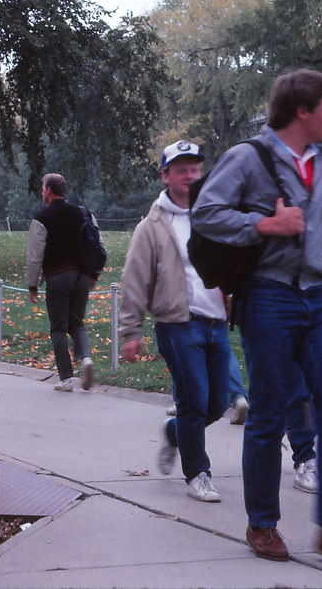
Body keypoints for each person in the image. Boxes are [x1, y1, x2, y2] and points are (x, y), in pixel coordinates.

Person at [191, 68, 322, 563]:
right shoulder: (248, 157)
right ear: (302, 111)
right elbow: (206, 213)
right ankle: (263, 524)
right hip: (269, 296)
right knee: (270, 412)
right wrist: (265, 224)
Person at [118, 140, 236, 502]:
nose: (190, 175)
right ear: (165, 176)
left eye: (195, 169)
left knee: (218, 403)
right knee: (193, 400)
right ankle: (198, 473)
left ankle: (174, 433)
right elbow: (135, 279)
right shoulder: (152, 226)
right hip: (178, 324)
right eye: (182, 170)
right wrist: (131, 331)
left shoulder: (213, 214)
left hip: (217, 322)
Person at [25, 173, 98, 392]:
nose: (42, 192)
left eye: (43, 188)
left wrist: (32, 285)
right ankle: (86, 358)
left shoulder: (42, 217)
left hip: (58, 277)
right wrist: (93, 274)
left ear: (48, 190)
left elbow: (35, 255)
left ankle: (66, 378)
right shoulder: (83, 213)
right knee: (77, 322)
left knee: (58, 327)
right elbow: (97, 243)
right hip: (82, 276)